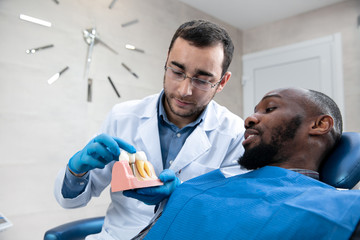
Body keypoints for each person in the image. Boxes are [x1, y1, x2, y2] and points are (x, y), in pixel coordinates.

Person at [54, 20, 246, 240]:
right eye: (177, 71)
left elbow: (233, 216)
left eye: (202, 80)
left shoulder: (234, 134)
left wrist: (182, 196)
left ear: (222, 82)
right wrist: (77, 170)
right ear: (166, 60)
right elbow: (72, 200)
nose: (184, 90)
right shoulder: (122, 117)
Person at [138, 87, 360, 240]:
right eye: (255, 110)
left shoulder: (338, 206)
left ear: (320, 124)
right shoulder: (217, 180)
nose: (249, 119)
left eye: (270, 108)